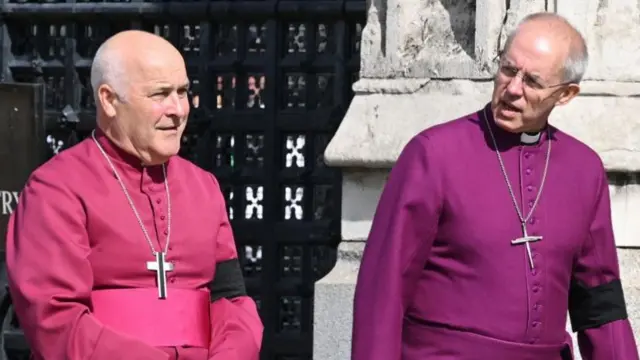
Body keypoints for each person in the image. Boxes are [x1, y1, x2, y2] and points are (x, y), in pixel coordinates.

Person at [351, 12, 639, 360]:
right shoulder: (433, 154)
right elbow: (383, 289)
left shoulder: (584, 170)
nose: (513, 89)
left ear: (566, 94)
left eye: (532, 81)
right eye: (507, 69)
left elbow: (599, 300)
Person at [5, 30, 263, 359]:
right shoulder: (56, 188)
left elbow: (231, 299)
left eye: (182, 92)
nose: (178, 110)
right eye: (160, 94)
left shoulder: (203, 186)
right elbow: (55, 320)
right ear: (109, 100)